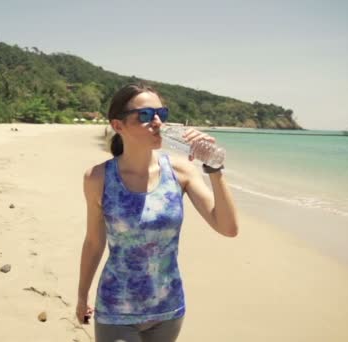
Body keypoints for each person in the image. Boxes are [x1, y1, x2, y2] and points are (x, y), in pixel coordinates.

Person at [77, 83, 238, 342]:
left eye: (161, 114)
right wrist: (82, 295)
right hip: (117, 309)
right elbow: (94, 242)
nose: (157, 122)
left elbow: (228, 228)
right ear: (118, 126)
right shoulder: (98, 178)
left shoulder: (181, 172)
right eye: (145, 115)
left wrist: (215, 167)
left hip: (168, 309)